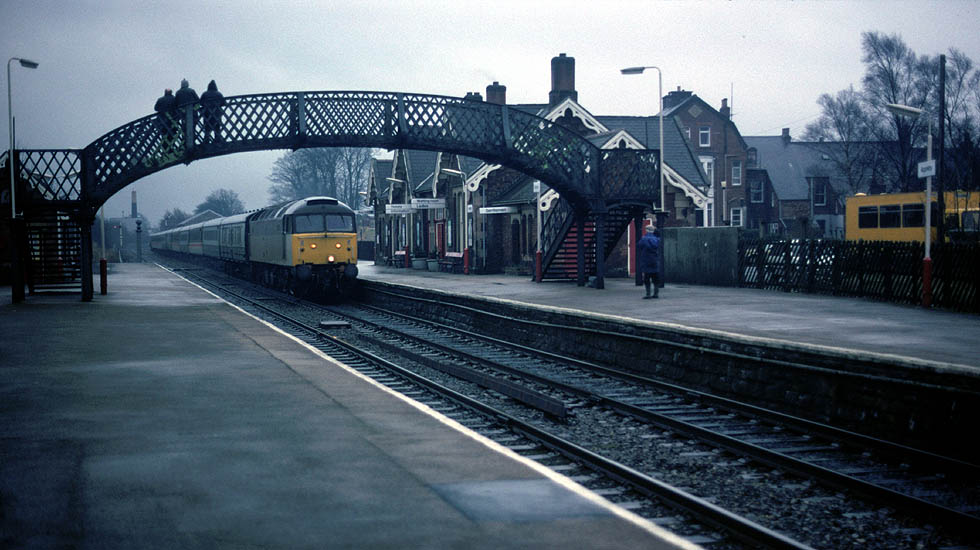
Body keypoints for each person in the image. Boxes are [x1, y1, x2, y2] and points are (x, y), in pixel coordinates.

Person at [637, 224, 661, 299]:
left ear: (646, 230)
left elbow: (639, 246)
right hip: (654, 260)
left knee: (647, 278)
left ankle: (648, 294)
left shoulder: (644, 239)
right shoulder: (657, 239)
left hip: (646, 260)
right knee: (655, 278)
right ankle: (656, 293)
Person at [174, 79, 200, 145]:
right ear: (187, 84)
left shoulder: (178, 93)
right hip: (192, 112)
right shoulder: (191, 91)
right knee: (193, 127)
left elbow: (176, 104)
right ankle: (192, 141)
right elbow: (198, 100)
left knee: (184, 127)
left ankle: (184, 141)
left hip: (182, 113)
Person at [153, 88, 178, 154]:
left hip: (162, 121)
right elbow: (177, 107)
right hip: (172, 120)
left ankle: (164, 150)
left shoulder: (160, 99)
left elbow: (156, 108)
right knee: (172, 135)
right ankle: (170, 149)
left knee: (164, 136)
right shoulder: (174, 99)